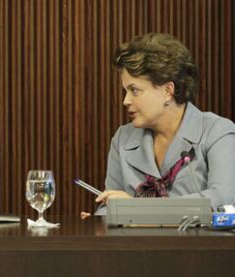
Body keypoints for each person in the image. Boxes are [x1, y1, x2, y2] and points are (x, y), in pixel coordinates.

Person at [93, 33, 235, 214]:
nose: (125, 101)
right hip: (134, 243)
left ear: (168, 91)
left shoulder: (218, 131)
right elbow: (108, 207)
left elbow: (223, 199)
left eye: (134, 91)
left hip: (199, 243)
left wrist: (138, 210)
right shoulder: (123, 138)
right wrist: (99, 218)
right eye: (125, 91)